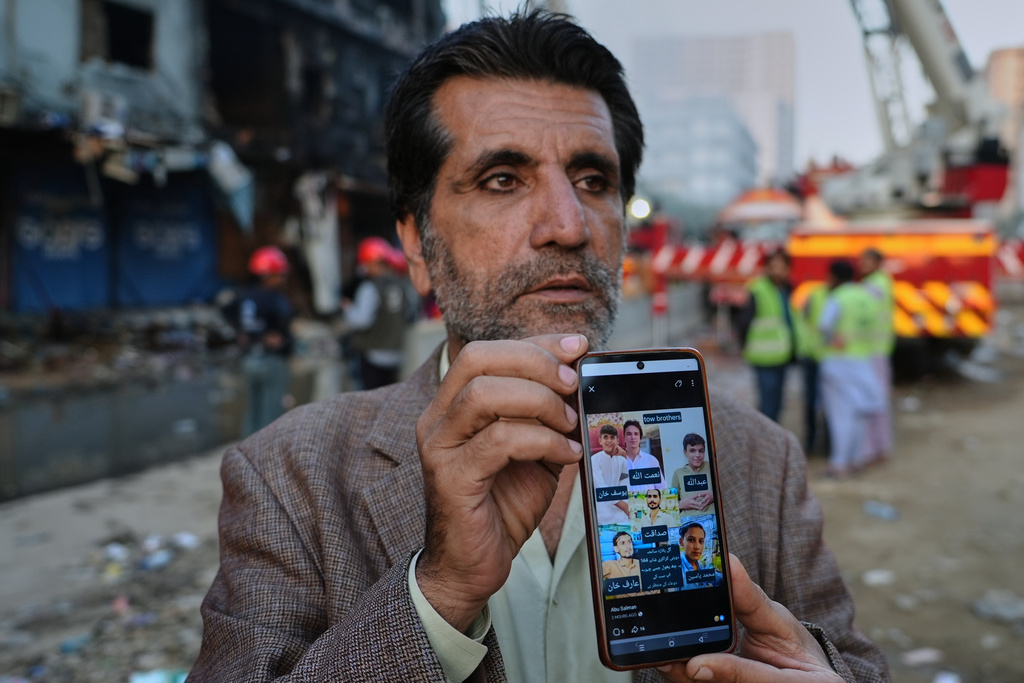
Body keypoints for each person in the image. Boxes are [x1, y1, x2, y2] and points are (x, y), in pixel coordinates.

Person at [191, 12, 889, 683]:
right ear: (415, 242)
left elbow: (855, 664)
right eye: (502, 179)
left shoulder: (760, 462)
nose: (567, 224)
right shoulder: (290, 478)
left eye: (594, 181)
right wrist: (440, 592)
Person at [819, 260, 885, 478]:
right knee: (859, 413)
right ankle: (856, 459)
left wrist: (831, 338)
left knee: (841, 415)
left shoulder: (838, 297)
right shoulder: (866, 297)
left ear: (835, 277)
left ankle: (839, 464)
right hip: (862, 361)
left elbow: (824, 325)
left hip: (838, 362)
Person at [221, 246, 295, 436]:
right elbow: (285, 326)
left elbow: (225, 310)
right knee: (270, 418)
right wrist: (279, 339)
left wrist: (242, 331)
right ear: (270, 275)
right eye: (279, 274)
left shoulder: (245, 295)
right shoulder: (275, 298)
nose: (282, 278)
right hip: (271, 361)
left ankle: (246, 458)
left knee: (252, 413)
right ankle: (265, 461)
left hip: (249, 360)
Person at [343, 236, 418, 389]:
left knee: (369, 403)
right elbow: (410, 315)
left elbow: (361, 321)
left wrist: (348, 309)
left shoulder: (369, 288)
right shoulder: (401, 286)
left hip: (372, 355)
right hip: (396, 354)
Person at [737, 249, 797, 422]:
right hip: (763, 357)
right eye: (774, 266)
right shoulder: (758, 289)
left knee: (777, 403)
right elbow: (743, 322)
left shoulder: (786, 288)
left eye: (782, 266)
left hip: (783, 355)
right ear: (767, 268)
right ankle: (766, 444)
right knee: (768, 406)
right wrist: (744, 346)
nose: (778, 271)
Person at [858, 248, 894, 465]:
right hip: (875, 349)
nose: (863, 264)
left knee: (873, 400)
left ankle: (875, 449)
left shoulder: (874, 285)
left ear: (878, 263)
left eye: (867, 260)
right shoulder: (880, 282)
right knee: (876, 399)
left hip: (874, 350)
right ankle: (879, 447)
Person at [796, 281, 830, 454]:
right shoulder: (818, 295)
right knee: (813, 402)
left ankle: (822, 443)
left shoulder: (817, 294)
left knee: (823, 404)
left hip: (824, 357)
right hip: (815, 357)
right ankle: (814, 442)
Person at [591, 424, 629, 525]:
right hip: (603, 512)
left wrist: (624, 454)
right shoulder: (594, 460)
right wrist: (625, 507)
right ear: (600, 441)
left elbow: (634, 475)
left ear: (617, 440)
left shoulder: (622, 460)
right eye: (605, 437)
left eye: (612, 437)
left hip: (622, 512)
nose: (609, 441)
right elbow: (602, 488)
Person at [669, 432, 714, 513]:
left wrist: (715, 494)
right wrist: (681, 504)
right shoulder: (678, 473)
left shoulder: (712, 467)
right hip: (687, 520)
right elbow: (669, 505)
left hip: (712, 517)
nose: (697, 455)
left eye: (701, 451)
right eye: (692, 451)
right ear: (685, 452)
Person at [622, 419, 665, 491]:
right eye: (629, 434)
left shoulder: (651, 460)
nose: (633, 437)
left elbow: (661, 488)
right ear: (624, 438)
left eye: (636, 434)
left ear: (640, 437)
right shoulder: (618, 462)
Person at [679, 522, 722, 589]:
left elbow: (719, 579)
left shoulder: (701, 564)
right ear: (681, 542)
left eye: (701, 541)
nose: (697, 547)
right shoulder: (676, 570)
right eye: (691, 540)